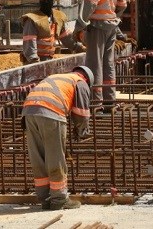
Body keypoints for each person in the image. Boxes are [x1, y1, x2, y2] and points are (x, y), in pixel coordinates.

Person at [22, 65, 93, 211]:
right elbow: (81, 113)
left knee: (38, 157)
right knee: (55, 158)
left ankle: (45, 198)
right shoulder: (80, 82)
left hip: (28, 112)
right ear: (87, 79)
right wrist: (81, 131)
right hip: (51, 112)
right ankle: (60, 199)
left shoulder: (60, 77)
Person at [74, 0, 127, 107]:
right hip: (111, 26)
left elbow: (90, 1)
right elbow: (122, 4)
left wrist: (80, 24)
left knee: (94, 64)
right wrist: (112, 17)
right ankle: (110, 101)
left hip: (97, 25)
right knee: (108, 64)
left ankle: (96, 102)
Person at [21, 0, 85, 64]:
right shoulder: (32, 19)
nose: (46, 2)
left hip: (48, 59)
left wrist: (79, 48)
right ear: (39, 0)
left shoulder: (57, 18)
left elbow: (66, 38)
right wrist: (34, 61)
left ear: (53, 0)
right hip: (34, 61)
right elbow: (29, 43)